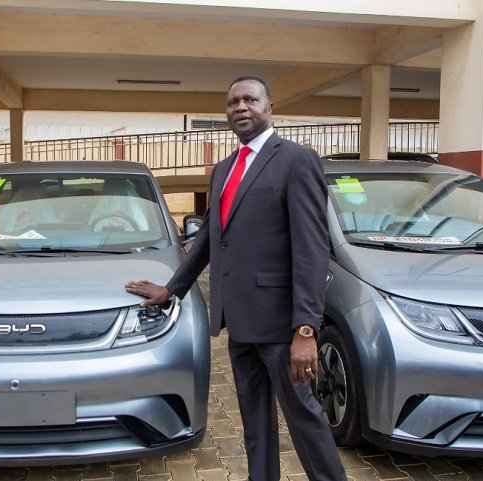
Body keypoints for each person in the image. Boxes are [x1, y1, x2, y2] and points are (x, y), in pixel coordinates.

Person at [125, 75, 346, 481]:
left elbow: (313, 251)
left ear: (269, 107)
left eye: (249, 100)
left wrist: (305, 330)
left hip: (283, 327)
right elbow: (212, 235)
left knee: (305, 420)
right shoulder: (225, 168)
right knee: (255, 425)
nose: (240, 107)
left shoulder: (296, 160)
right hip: (239, 323)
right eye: (232, 102)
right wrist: (172, 288)